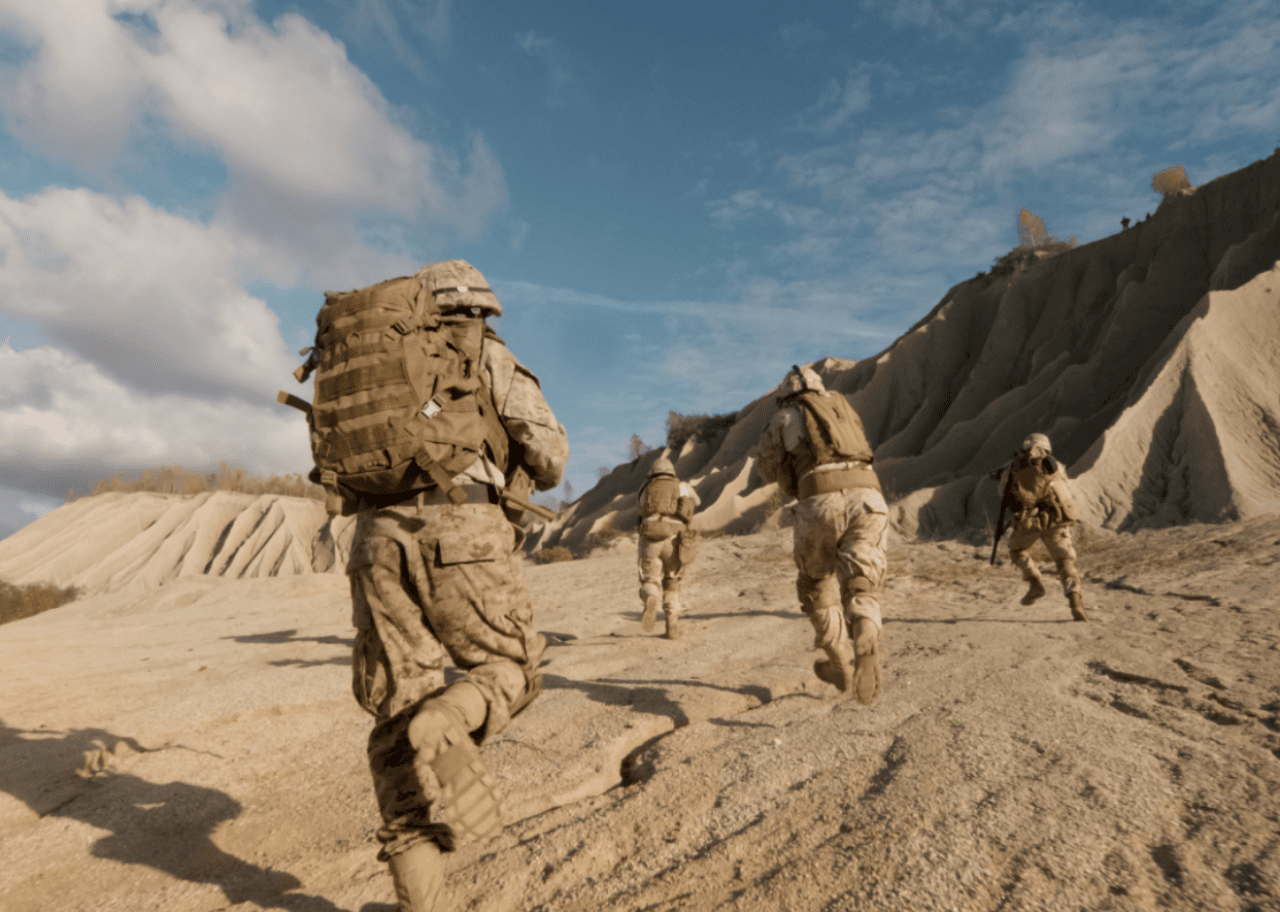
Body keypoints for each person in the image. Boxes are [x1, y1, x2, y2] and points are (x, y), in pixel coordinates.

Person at [342, 260, 569, 910]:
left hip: (374, 538)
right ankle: (448, 720)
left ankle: (422, 904)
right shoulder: (484, 355)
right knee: (508, 668)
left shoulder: (376, 366)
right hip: (461, 519)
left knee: (394, 717)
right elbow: (551, 457)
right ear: (479, 309)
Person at [755, 365, 889, 706]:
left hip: (820, 498)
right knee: (862, 576)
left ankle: (837, 658)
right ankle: (866, 630)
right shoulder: (844, 408)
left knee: (816, 584)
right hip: (869, 496)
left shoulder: (784, 417)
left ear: (786, 395)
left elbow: (767, 467)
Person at [997, 433, 1089, 622]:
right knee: (1065, 561)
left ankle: (1034, 582)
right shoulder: (1056, 466)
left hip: (1028, 520)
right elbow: (1065, 490)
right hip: (1057, 518)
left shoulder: (1014, 466)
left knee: (1017, 550)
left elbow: (1003, 493)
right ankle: (1076, 602)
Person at [636, 455, 701, 640]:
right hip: (674, 539)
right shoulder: (681, 485)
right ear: (672, 472)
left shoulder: (645, 487)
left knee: (650, 578)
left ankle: (650, 596)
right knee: (673, 581)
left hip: (650, 538)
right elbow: (697, 501)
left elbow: (638, 509)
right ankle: (671, 626)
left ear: (652, 473)